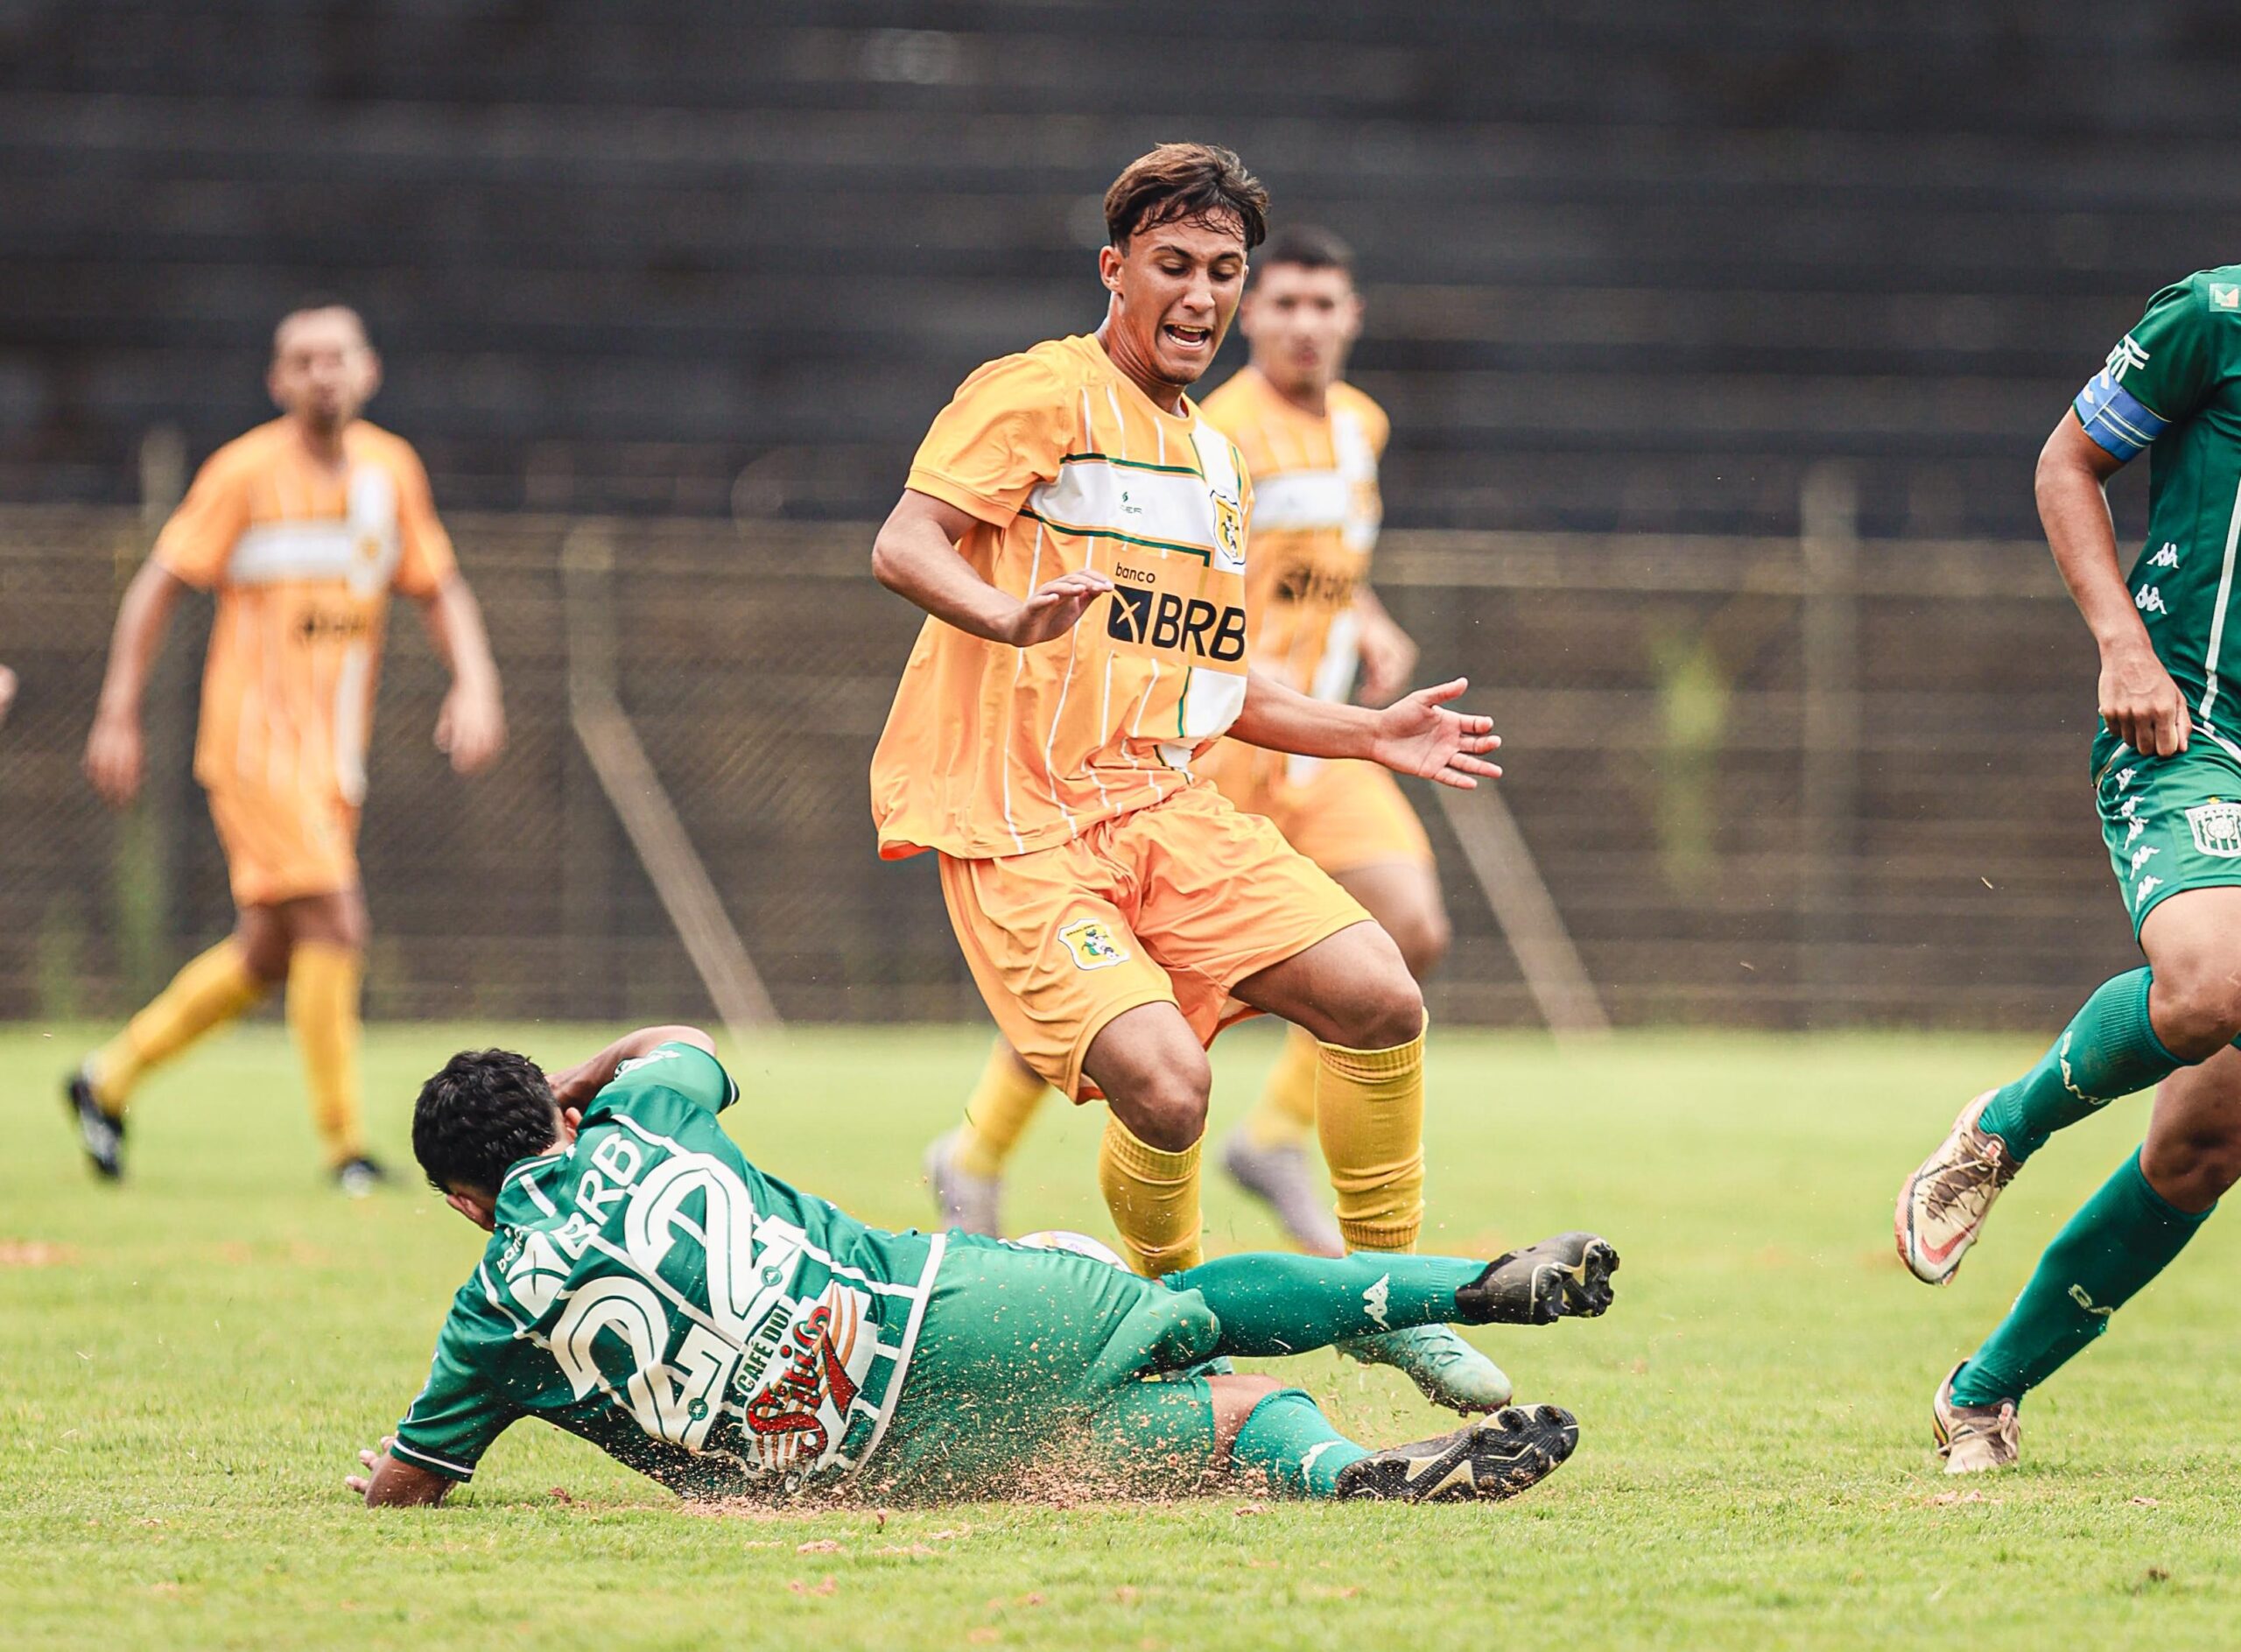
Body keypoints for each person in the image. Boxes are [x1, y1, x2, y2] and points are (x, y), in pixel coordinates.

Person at [867, 143, 1514, 1412]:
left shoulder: (1212, 466)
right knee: (1169, 1084)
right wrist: (1004, 618)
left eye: (1225, 269)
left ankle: (1391, 1298)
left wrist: (1366, 730)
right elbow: (905, 539)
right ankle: (1174, 1322)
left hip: (1161, 802)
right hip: (1020, 828)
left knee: (1382, 987)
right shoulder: (1038, 391)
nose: (1204, 294)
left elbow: (1218, 682)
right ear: (1117, 269)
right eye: (1175, 265)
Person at [345, 1023, 1618, 1508]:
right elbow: (678, 1038)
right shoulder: (647, 1115)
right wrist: (577, 1089)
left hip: (863, 1466)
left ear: (465, 1200)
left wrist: (390, 1472)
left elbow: (408, 1480)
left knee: (1227, 1425)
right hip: (929, 1318)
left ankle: (1351, 1474)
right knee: (1177, 1311)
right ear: (564, 1116)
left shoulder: (492, 1308)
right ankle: (1470, 1281)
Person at [926, 223, 1451, 1271]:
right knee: (1130, 992)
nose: (1303, 324)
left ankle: (1274, 1150)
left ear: (1353, 316)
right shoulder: (1208, 433)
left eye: (1322, 304)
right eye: (1284, 305)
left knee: (1407, 936)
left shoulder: (1362, 427)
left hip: (1315, 729)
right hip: (1203, 743)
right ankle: (978, 1153)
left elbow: (1320, 564)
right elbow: (1179, 599)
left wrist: (1368, 622)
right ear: (1255, 320)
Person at [1896, 264, 2241, 1472]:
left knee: (2208, 1134)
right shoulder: (2214, 316)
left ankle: (1982, 1392)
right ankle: (2001, 1128)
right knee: (2209, 987)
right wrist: (2122, 644)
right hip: (2194, 727)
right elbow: (2065, 463)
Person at [67, 303, 506, 1192]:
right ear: (278, 381)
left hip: (332, 760)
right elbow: (159, 584)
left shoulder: (392, 470)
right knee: (338, 922)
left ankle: (103, 1080)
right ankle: (346, 1149)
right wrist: (120, 709)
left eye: (336, 357)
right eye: (303, 361)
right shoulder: (243, 473)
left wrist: (477, 682)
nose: (322, 374)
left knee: (268, 952)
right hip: (254, 748)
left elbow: (439, 585)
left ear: (367, 370)